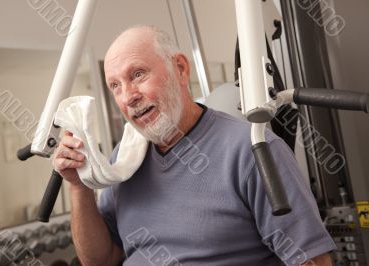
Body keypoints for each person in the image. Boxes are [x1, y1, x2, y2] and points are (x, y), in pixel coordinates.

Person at [53, 25, 336, 266]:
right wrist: (79, 186)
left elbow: (313, 260)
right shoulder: (124, 160)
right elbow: (101, 260)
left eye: (138, 74)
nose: (128, 96)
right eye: (115, 85)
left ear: (180, 69)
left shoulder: (253, 150)